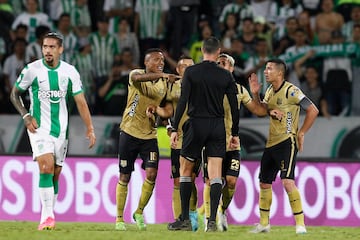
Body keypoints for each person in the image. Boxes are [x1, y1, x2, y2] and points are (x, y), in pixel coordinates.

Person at [9, 32, 96, 230]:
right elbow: (14, 94)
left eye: (52, 47)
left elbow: (80, 102)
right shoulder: (32, 69)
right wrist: (25, 115)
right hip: (39, 129)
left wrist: (90, 128)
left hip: (61, 131)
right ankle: (47, 217)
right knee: (46, 167)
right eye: (45, 47)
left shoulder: (70, 71)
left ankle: (48, 216)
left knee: (55, 174)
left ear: (60, 49)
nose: (47, 51)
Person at [167, 37, 240, 232]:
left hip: (196, 123)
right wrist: (235, 133)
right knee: (216, 174)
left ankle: (184, 219)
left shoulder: (191, 72)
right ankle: (212, 222)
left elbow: (183, 101)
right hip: (217, 126)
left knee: (186, 170)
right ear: (218, 52)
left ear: (201, 50)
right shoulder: (225, 76)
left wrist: (174, 129)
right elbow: (234, 107)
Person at [248, 58, 318, 234]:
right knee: (264, 183)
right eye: (265, 68)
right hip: (271, 142)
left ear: (280, 72)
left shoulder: (291, 91)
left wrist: (301, 132)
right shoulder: (270, 90)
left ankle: (300, 224)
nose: (265, 71)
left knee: (287, 182)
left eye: (269, 68)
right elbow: (262, 112)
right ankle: (264, 224)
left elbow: (313, 110)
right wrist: (255, 94)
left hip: (287, 141)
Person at [115, 48, 180, 231]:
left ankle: (139, 212)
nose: (160, 62)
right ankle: (119, 218)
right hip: (128, 132)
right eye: (156, 60)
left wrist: (162, 118)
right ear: (146, 62)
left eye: (162, 60)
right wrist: (163, 75)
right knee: (125, 176)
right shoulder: (136, 74)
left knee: (151, 173)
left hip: (149, 135)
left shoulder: (162, 85)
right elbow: (137, 80)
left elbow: (166, 111)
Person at [201, 53, 265, 232]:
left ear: (231, 68)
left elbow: (259, 111)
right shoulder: (207, 87)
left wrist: (255, 94)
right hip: (212, 141)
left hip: (232, 143)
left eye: (225, 63)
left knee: (230, 182)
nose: (221, 65)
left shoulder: (239, 90)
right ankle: (209, 218)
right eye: (218, 62)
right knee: (210, 181)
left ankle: (222, 210)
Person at [146, 55, 200, 231]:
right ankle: (181, 218)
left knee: (190, 178)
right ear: (178, 70)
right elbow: (168, 110)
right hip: (178, 139)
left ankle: (192, 214)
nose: (186, 68)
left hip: (196, 137)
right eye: (183, 66)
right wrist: (159, 112)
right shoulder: (171, 86)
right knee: (178, 180)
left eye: (190, 66)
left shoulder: (201, 86)